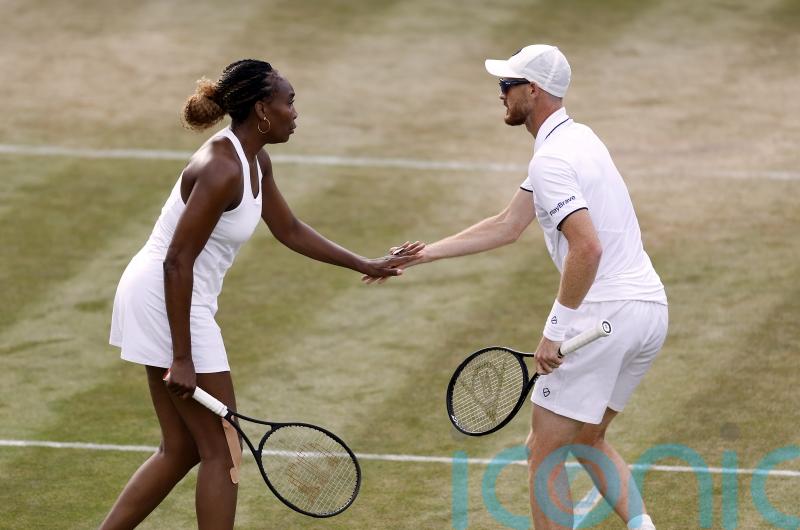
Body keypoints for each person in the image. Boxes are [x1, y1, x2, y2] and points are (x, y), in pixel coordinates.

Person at [101, 59, 422, 530]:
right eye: (288, 102)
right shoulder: (220, 169)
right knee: (224, 450)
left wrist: (364, 262)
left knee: (183, 448)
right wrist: (184, 357)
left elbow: (288, 228)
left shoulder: (255, 160)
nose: (295, 113)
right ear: (262, 110)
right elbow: (176, 261)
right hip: (166, 297)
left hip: (171, 295)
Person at [368, 45, 667, 530]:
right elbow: (508, 224)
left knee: (543, 454)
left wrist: (556, 330)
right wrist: (419, 256)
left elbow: (587, 249)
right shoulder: (580, 140)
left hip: (602, 314)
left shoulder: (551, 161)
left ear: (534, 91)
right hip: (648, 310)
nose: (500, 94)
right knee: (587, 439)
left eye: (508, 85)